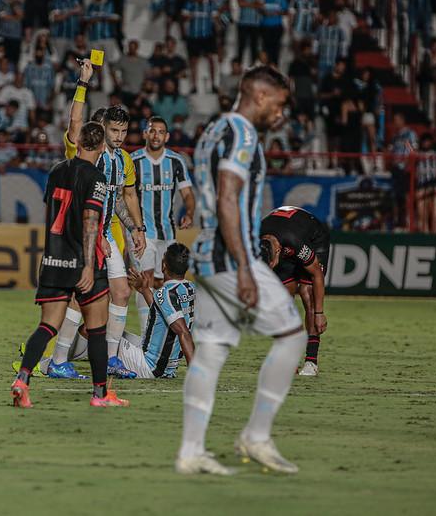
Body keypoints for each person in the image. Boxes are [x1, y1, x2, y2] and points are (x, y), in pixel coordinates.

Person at [178, 65, 306, 475]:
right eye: (280, 104)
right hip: (233, 257)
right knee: (292, 335)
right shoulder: (244, 133)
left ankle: (191, 451)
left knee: (211, 352)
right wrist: (246, 268)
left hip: (206, 254)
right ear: (261, 97)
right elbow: (228, 197)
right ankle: (256, 435)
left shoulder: (215, 129)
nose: (281, 114)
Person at [10, 121, 129, 408]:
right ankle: (100, 395)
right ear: (102, 147)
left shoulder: (56, 171)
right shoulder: (97, 177)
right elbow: (90, 221)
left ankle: (23, 379)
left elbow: (53, 212)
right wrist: (89, 265)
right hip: (80, 260)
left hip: (53, 258)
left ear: (78, 144)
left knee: (47, 325)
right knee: (97, 329)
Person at [44, 60, 145, 379]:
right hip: (83, 236)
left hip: (106, 235)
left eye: (124, 131)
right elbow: (74, 123)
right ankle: (58, 359)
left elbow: (116, 202)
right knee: (81, 295)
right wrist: (83, 83)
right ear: (102, 130)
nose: (119, 136)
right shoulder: (88, 153)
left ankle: (112, 358)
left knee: (122, 292)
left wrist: (135, 229)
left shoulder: (122, 160)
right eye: (114, 130)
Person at [130, 116, 195, 334]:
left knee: (163, 283)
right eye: (152, 131)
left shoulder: (176, 161)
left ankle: (160, 329)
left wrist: (190, 211)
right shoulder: (134, 160)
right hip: (143, 233)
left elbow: (187, 193)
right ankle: (146, 332)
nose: (156, 135)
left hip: (167, 233)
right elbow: (124, 195)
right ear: (145, 134)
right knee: (145, 280)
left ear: (167, 136)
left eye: (160, 132)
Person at [259, 206, 330, 377]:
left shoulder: (295, 241)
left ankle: (311, 361)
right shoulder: (252, 240)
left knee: (307, 293)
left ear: (277, 251)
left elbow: (317, 275)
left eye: (271, 265)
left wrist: (319, 312)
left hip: (313, 238)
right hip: (284, 238)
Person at [122, 243, 195, 379]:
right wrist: (144, 290)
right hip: (166, 368)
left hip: (149, 367)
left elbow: (183, 332)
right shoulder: (190, 288)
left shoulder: (165, 293)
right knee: (118, 334)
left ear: (163, 266)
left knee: (102, 331)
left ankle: (67, 357)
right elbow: (164, 311)